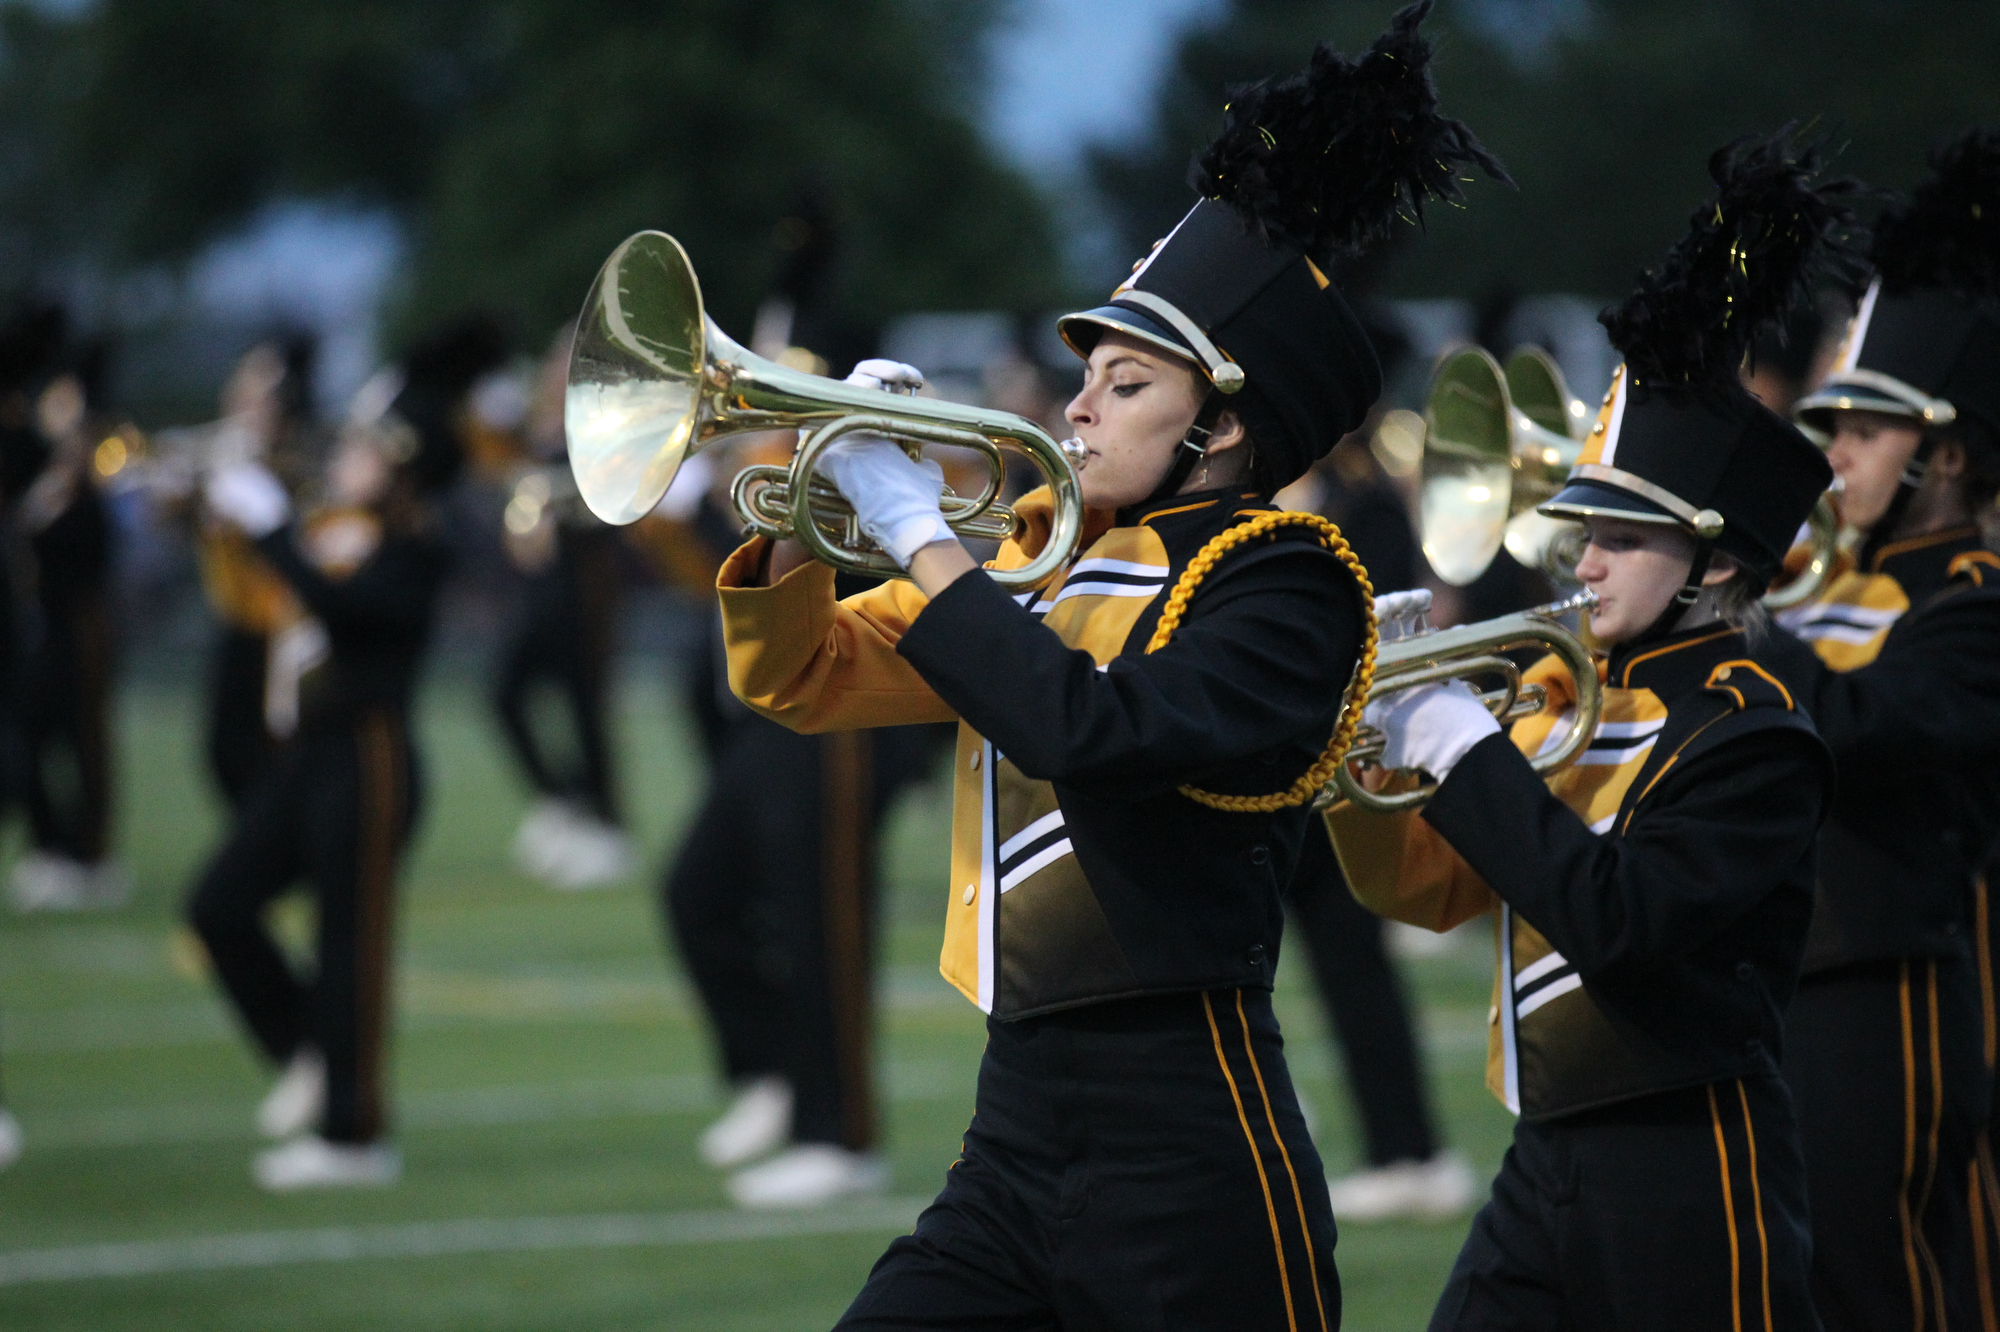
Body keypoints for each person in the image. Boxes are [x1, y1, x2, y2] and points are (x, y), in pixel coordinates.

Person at [711, 6, 1503, 1323]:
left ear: (1225, 422)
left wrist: (913, 528)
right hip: (1015, 1127)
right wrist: (810, 509)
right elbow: (802, 680)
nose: (1077, 404)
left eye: (1126, 384)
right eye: (1088, 375)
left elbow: (1095, 731)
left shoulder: (1291, 581)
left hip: (1189, 1144)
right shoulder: (1043, 557)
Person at [1326, 131, 1853, 1329]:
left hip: (1691, 1165)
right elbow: (1420, 893)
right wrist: (1367, 757)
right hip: (1543, 1151)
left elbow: (1619, 923)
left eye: (1624, 535)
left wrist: (1458, 743)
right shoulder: (1568, 694)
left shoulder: (1754, 733)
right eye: (1584, 529)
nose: (1585, 556)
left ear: (1713, 556)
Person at [1768, 128, 2000, 1332]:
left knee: (1894, 1283)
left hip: (1906, 986)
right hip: (1797, 985)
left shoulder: (1971, 600)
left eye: (1866, 427)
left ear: (1946, 453)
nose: (1835, 449)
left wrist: (1740, 614)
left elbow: (1859, 726)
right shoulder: (1842, 585)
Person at [185, 343, 459, 1192]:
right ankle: (310, 1049)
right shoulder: (329, 527)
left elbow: (343, 608)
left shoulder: (418, 549)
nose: (344, 458)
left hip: (371, 756)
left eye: (365, 448)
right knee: (217, 905)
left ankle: (354, 1135)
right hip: (306, 754)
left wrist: (271, 525)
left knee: (352, 947)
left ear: (401, 467)